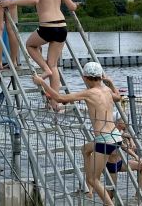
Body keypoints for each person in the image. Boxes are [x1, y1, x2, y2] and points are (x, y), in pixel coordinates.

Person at [33, 62, 122, 206]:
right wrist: (111, 83)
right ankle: (90, 183)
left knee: (93, 180)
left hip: (105, 140)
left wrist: (42, 82)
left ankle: (108, 204)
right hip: (116, 137)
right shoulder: (106, 90)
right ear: (101, 77)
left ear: (85, 78)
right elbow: (118, 97)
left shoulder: (89, 93)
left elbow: (60, 98)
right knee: (85, 149)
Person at [0, 0, 77, 105]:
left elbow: (34, 0)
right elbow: (72, 7)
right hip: (62, 27)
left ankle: (45, 70)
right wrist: (76, 4)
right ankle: (55, 104)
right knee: (54, 66)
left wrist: (11, 2)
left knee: (30, 45)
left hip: (47, 26)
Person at [105, 113, 142, 198]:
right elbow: (123, 146)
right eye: (123, 120)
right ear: (117, 122)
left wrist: (130, 140)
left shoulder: (119, 131)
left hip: (120, 162)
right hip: (111, 165)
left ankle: (138, 196)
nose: (126, 122)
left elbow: (127, 135)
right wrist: (135, 155)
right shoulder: (111, 133)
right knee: (111, 194)